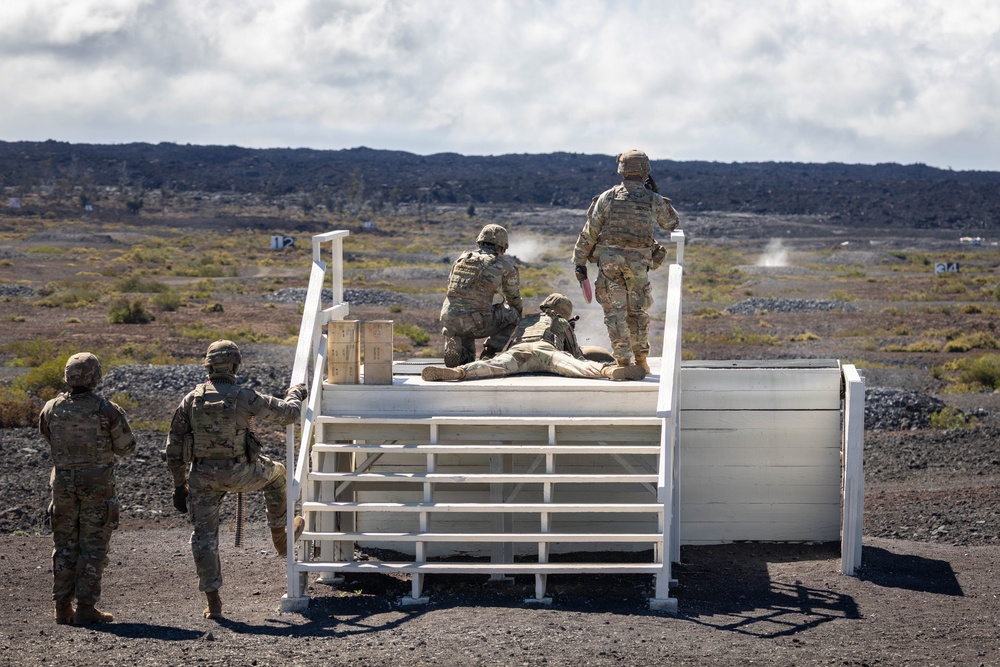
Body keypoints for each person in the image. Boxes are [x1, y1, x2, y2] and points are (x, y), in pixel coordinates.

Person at [165, 340, 307, 620]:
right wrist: (295, 393)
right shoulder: (244, 396)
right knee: (278, 473)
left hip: (202, 477)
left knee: (204, 538)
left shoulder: (191, 399)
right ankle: (281, 538)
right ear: (234, 364)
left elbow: (173, 448)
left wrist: (179, 485)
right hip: (240, 473)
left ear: (209, 365)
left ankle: (213, 602)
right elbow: (288, 415)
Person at [38, 352, 136, 625]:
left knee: (64, 545)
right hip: (97, 485)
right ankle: (86, 607)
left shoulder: (52, 407)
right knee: (93, 546)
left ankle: (61, 607)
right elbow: (127, 447)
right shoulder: (107, 409)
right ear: (95, 377)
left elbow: (47, 435)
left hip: (63, 485)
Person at [573, 149, 681, 373]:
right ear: (645, 172)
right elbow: (672, 224)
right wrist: (658, 194)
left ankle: (622, 362)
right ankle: (641, 361)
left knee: (615, 312)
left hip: (610, 263)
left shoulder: (608, 197)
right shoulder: (652, 199)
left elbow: (590, 232)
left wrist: (580, 262)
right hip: (638, 265)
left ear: (621, 170)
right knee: (637, 312)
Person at [422, 293, 645, 382]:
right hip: (545, 353)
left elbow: (506, 344)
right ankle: (610, 371)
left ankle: (458, 372)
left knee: (490, 367)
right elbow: (576, 354)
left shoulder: (526, 319)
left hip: (518, 352)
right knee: (580, 367)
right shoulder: (560, 322)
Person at [439, 223, 523, 367]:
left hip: (449, 319)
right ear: (502, 246)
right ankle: (489, 351)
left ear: (480, 241)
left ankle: (457, 346)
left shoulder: (461, 259)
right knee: (514, 314)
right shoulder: (502, 266)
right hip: (476, 323)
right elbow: (513, 298)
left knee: (466, 361)